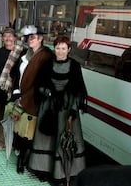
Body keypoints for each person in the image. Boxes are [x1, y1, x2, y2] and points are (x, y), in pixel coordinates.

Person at [27, 36, 87, 185]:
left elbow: (78, 90)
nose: (60, 51)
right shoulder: (47, 64)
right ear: (55, 49)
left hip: (66, 109)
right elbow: (38, 85)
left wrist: (73, 110)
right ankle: (44, 170)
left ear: (69, 50)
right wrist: (48, 93)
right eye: (58, 48)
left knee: (63, 139)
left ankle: (62, 173)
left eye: (63, 48)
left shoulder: (74, 66)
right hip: (49, 106)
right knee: (46, 140)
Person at [10, 25, 53, 173]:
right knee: (20, 129)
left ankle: (23, 161)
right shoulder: (25, 54)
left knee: (28, 133)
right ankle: (21, 155)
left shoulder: (46, 56)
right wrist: (16, 92)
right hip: (20, 96)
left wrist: (25, 98)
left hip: (34, 99)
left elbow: (41, 82)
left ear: (41, 39)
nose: (30, 40)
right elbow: (15, 73)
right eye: (28, 38)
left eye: (33, 38)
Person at [0, 27, 25, 152]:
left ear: (15, 38)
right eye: (5, 36)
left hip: (15, 91)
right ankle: (0, 141)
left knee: (15, 118)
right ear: (2, 38)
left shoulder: (21, 53)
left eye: (10, 36)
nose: (8, 38)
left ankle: (15, 143)